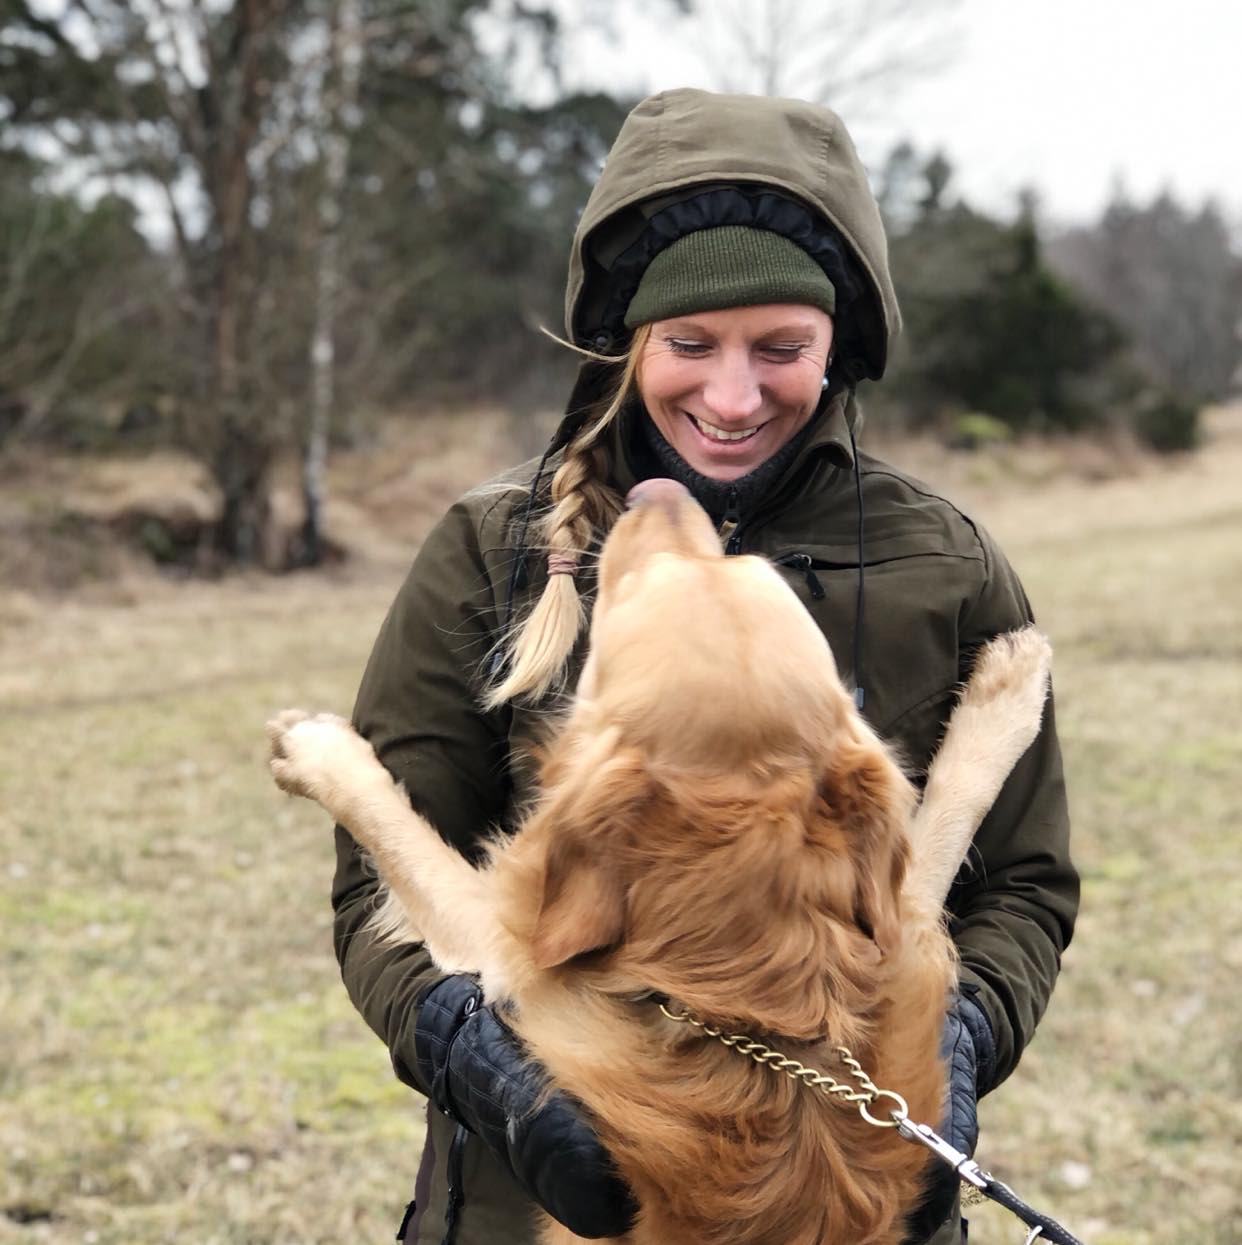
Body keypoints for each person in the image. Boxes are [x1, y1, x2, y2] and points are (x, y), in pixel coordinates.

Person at [330, 88, 1078, 1245]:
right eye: (690, 345)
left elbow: (1025, 886)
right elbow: (366, 898)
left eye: (781, 348)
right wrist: (485, 1065)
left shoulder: (948, 565)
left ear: (838, 343)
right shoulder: (491, 549)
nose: (733, 399)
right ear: (632, 340)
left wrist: (960, 1039)